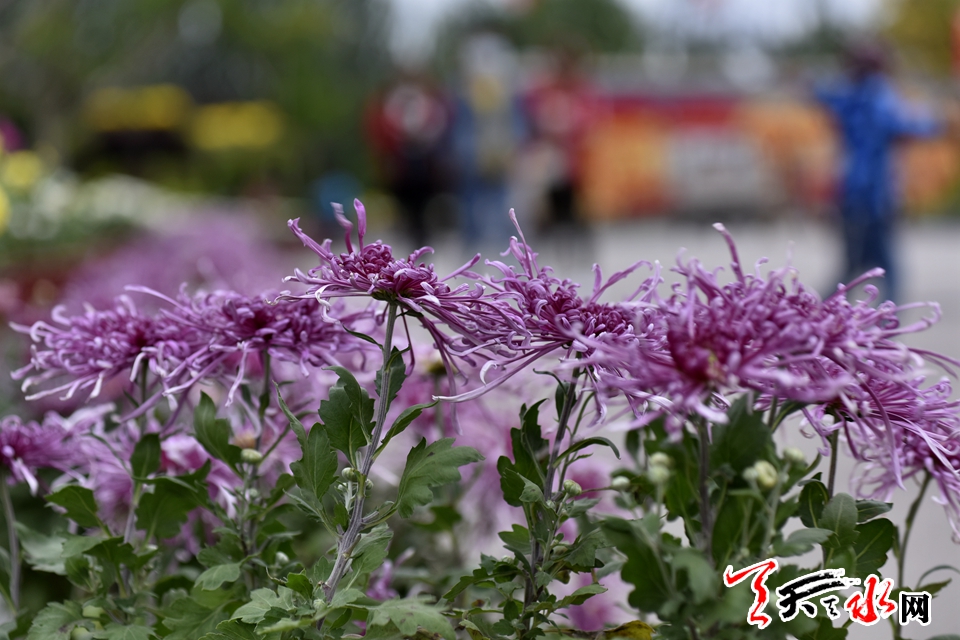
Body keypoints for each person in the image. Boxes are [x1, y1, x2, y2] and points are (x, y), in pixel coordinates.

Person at [815, 42, 940, 303]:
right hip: (875, 193)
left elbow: (819, 94)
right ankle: (883, 328)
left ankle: (816, 316)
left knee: (854, 265)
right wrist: (936, 122)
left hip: (849, 190)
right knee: (885, 268)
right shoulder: (880, 94)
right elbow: (904, 125)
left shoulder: (845, 96)